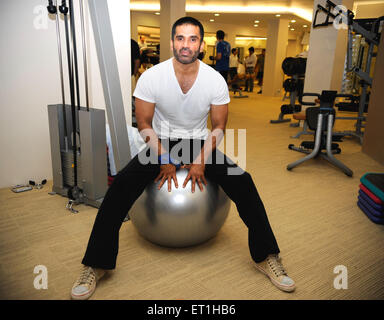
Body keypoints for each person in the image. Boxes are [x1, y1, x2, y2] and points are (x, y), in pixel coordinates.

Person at [70, 16, 295, 300]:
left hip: (200, 142)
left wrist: (201, 160)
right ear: (172, 41)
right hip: (160, 141)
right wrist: (162, 156)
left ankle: (266, 257)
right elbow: (144, 124)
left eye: (192, 39)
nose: (185, 44)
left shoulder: (214, 79)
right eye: (180, 38)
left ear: (201, 45)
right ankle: (96, 264)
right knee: (121, 187)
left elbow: (219, 127)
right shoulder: (152, 77)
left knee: (244, 181)